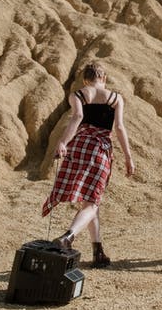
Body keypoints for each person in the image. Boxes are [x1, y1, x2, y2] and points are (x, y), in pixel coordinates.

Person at [43, 62, 135, 266]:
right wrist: (128, 157)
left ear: (86, 80)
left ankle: (98, 252)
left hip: (79, 146)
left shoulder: (78, 94)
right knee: (92, 202)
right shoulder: (116, 98)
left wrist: (63, 142)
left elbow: (77, 117)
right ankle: (68, 237)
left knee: (90, 201)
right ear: (104, 78)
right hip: (100, 150)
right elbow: (119, 128)